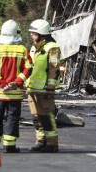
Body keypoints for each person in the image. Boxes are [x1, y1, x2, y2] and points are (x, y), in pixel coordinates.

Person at [0, 19, 32, 153]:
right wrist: (17, 82)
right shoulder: (22, 50)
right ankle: (10, 144)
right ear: (16, 33)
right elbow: (29, 69)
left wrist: (2, 84)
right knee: (12, 118)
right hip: (15, 92)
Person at [27, 19, 61, 153]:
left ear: (41, 34)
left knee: (47, 116)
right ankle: (41, 141)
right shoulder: (34, 48)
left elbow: (54, 69)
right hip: (33, 88)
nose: (31, 35)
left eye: (33, 33)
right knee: (36, 117)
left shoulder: (52, 48)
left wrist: (51, 87)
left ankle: (52, 144)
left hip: (45, 90)